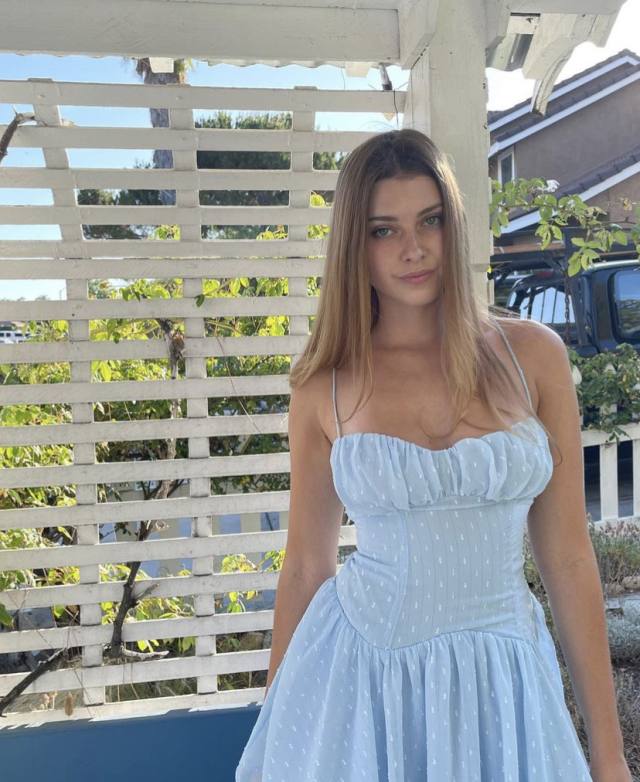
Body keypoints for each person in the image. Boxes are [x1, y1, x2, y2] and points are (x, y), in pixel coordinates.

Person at [235, 128, 630, 781]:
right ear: (354, 245)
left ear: (454, 224)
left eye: (430, 220)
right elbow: (307, 565)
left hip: (504, 680)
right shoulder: (324, 385)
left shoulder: (533, 357)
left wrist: (608, 754)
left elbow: (566, 557)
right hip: (366, 682)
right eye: (383, 230)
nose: (413, 248)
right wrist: (277, 727)